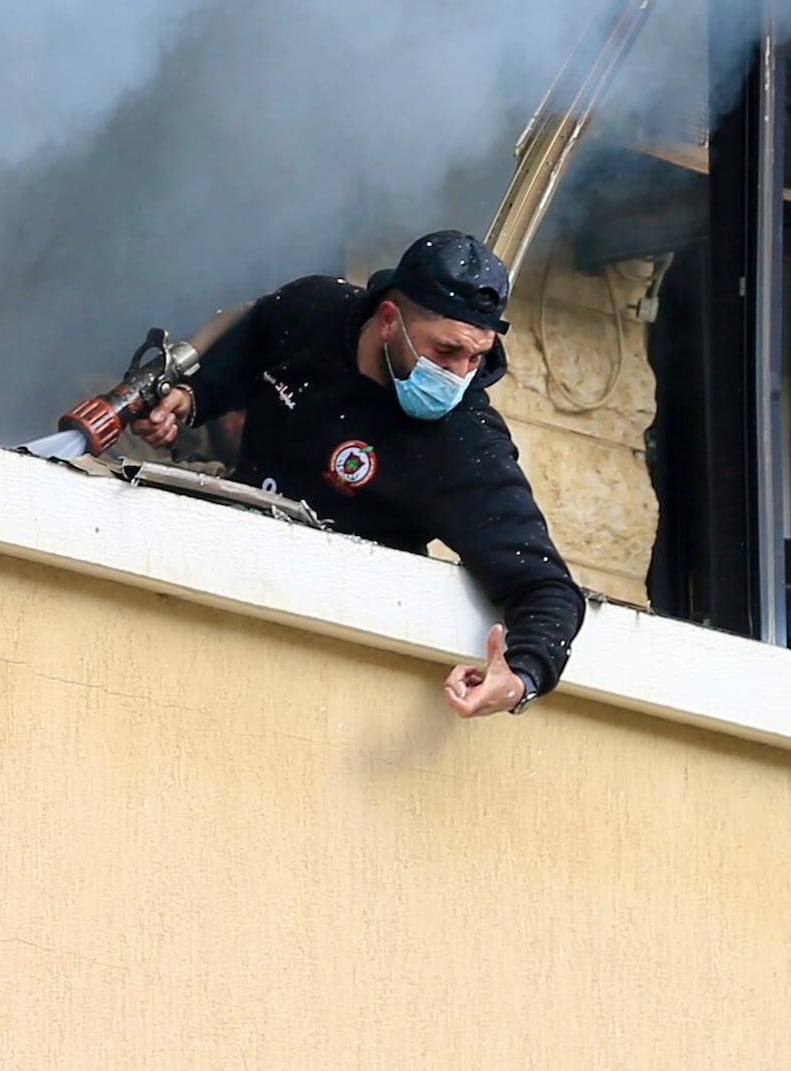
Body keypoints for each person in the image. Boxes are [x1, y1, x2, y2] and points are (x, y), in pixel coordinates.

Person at [151, 232, 581, 718]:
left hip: (325, 653)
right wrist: (189, 399)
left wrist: (521, 677)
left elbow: (547, 589)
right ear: (388, 320)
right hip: (209, 576)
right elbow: (245, 346)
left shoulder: (464, 445)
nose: (459, 374)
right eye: (445, 351)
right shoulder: (311, 310)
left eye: (476, 357)